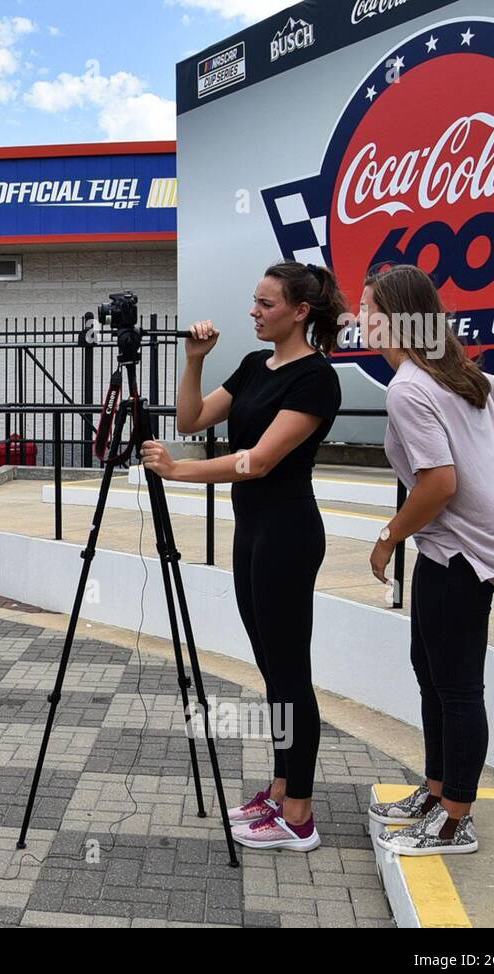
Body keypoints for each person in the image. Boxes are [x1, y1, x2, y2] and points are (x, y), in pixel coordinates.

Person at [142, 260, 345, 852]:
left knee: (290, 673)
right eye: (254, 301)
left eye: (266, 304)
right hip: (252, 531)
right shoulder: (257, 365)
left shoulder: (315, 378)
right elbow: (192, 417)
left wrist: (179, 471)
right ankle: (282, 788)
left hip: (287, 534)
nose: (253, 312)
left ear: (300, 312)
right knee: (272, 669)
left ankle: (300, 815)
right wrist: (195, 361)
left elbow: (258, 461)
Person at [364, 264, 494, 856]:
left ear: (401, 320)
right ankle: (436, 792)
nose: (360, 320)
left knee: (456, 685)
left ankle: (456, 818)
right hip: (459, 541)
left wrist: (388, 537)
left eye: (371, 312)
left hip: (465, 545)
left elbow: (437, 482)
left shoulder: (410, 385)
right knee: (431, 671)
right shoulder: (451, 371)